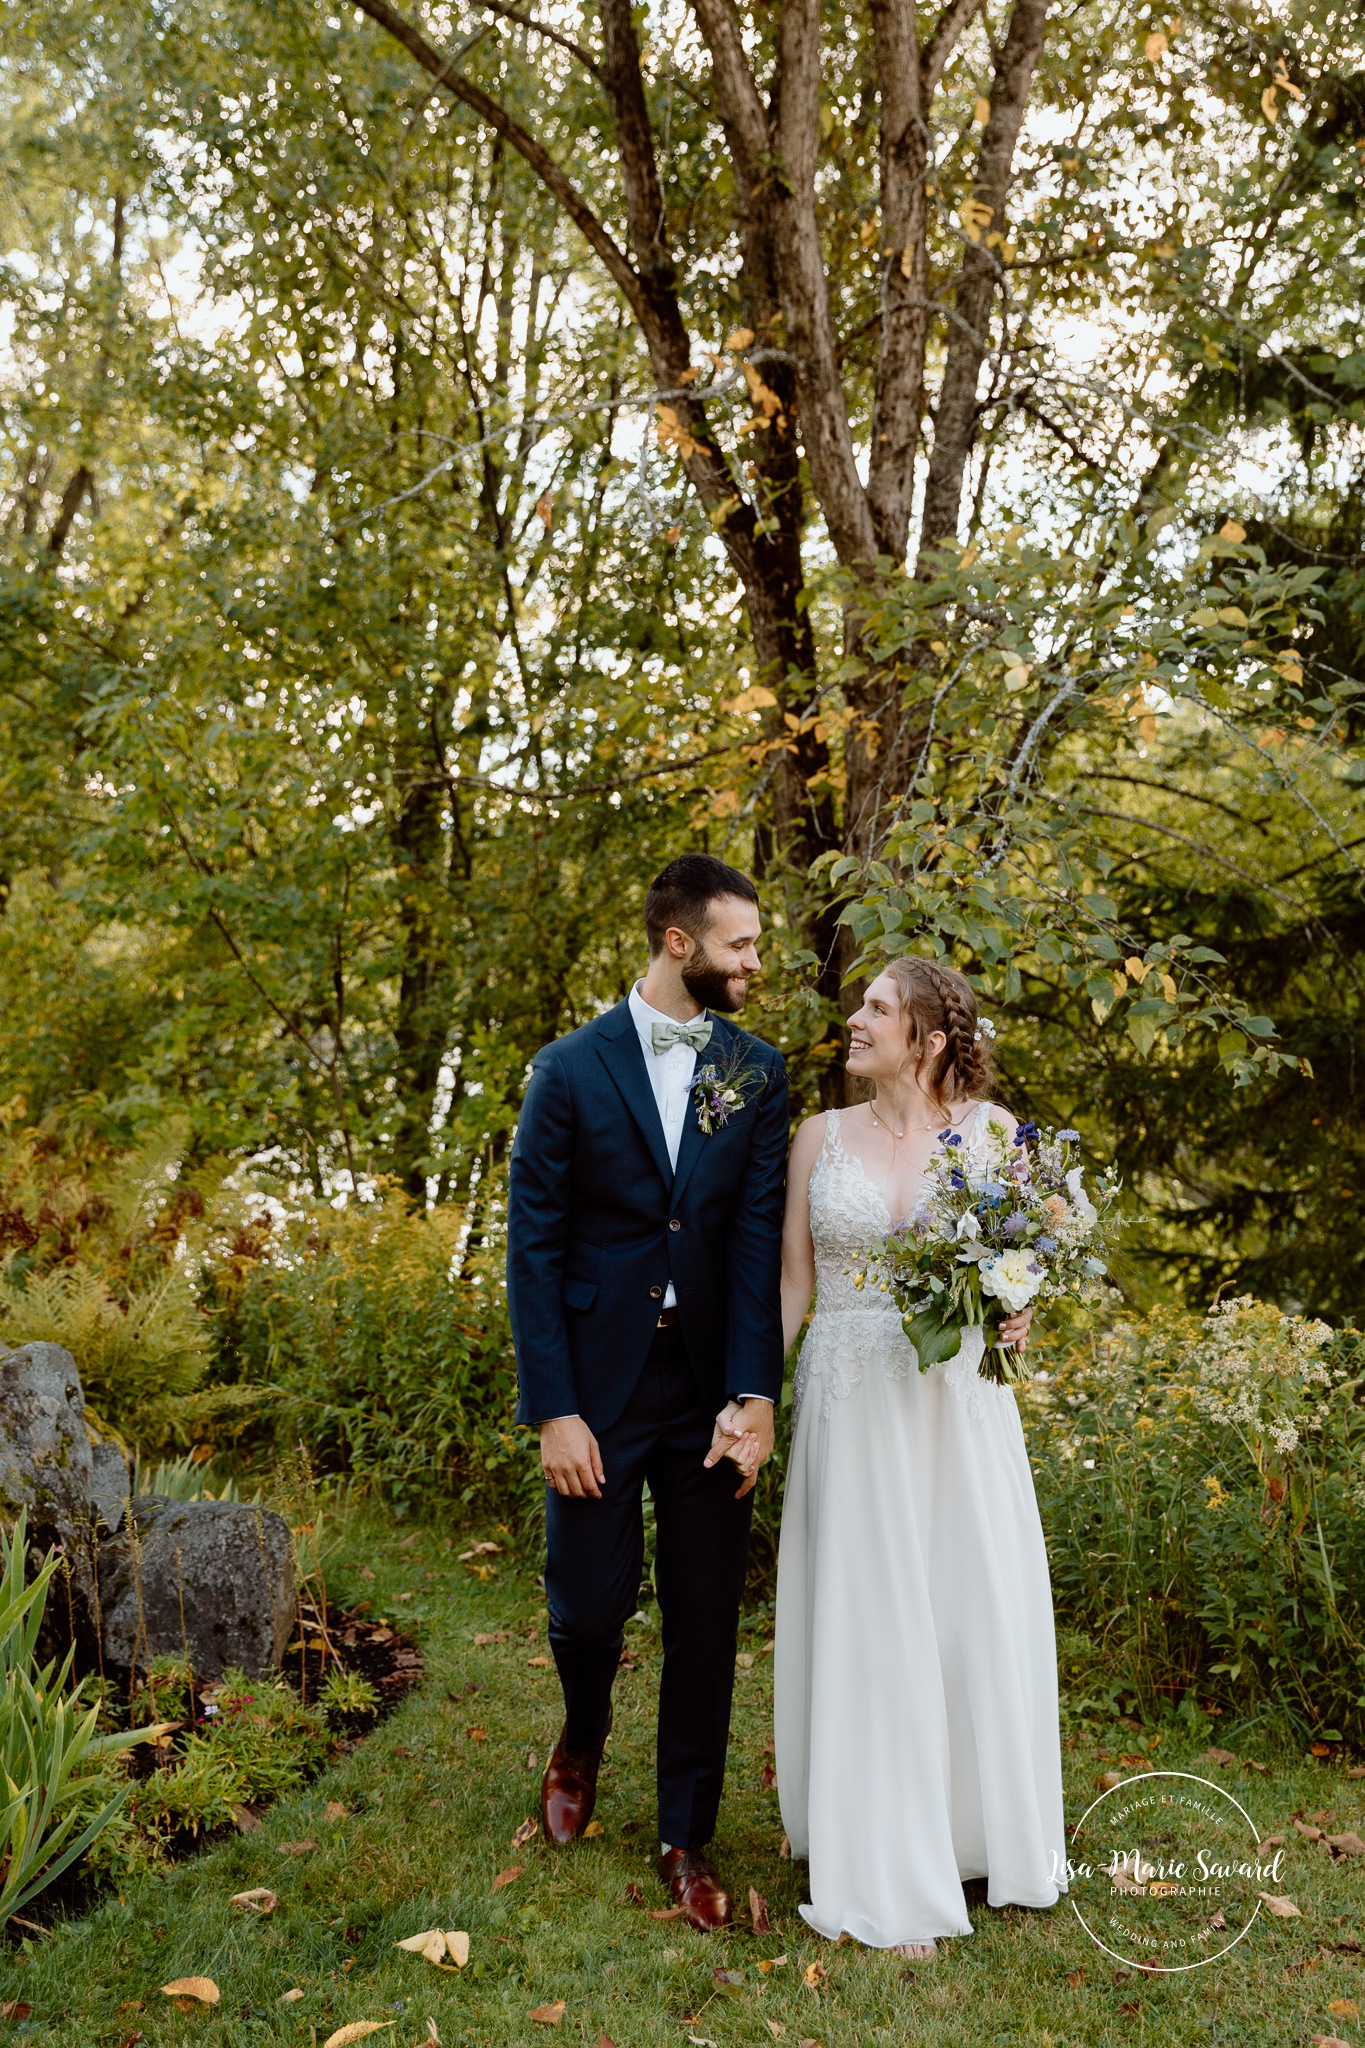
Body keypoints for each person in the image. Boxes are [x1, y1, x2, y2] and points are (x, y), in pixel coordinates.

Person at [506, 853, 788, 1931]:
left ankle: (685, 1833)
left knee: (706, 1614)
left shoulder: (755, 1074)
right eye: (740, 945)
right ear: (681, 944)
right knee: (586, 1604)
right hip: (599, 1383)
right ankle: (582, 1731)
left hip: (709, 1385)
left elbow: (757, 1241)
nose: (754, 962)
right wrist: (556, 1407)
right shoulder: (569, 1070)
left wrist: (755, 1394)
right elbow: (533, 1248)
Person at [773, 955, 1067, 1957]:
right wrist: (745, 1399)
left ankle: (979, 1830)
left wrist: (1022, 1300)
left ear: (931, 1038)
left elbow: (1038, 1246)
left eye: (878, 1008)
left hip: (958, 1399)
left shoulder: (994, 1136)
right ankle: (883, 1850)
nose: (855, 1019)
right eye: (861, 1004)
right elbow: (792, 1288)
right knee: (873, 1611)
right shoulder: (817, 1138)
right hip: (851, 1399)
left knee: (968, 1602)